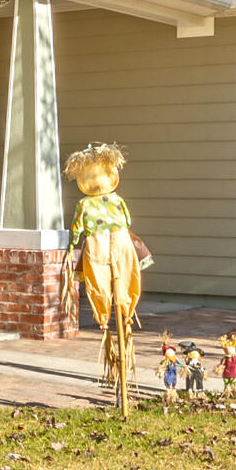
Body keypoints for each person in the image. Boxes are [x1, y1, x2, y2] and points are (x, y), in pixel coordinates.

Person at [65, 142, 145, 412]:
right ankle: (121, 316)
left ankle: (110, 320)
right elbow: (128, 221)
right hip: (120, 243)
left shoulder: (84, 204)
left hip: (99, 245)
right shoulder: (117, 200)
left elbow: (75, 230)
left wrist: (70, 248)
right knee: (121, 285)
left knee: (101, 289)